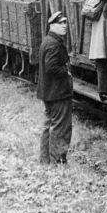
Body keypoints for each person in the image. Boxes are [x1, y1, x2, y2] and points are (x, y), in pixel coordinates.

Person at [38, 10, 72, 164]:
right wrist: (66, 71)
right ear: (52, 26)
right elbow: (50, 67)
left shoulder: (47, 40)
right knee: (60, 127)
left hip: (48, 92)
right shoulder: (54, 44)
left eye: (65, 22)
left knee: (48, 125)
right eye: (61, 23)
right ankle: (57, 161)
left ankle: (45, 160)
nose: (64, 26)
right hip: (57, 93)